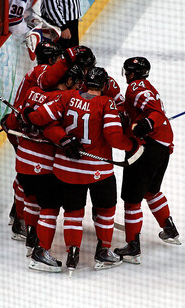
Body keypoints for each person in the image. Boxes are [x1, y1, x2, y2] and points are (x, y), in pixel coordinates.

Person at [23, 67, 142, 275]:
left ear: (85, 82)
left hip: (66, 170)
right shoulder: (107, 103)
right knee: (105, 210)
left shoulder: (67, 97)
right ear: (104, 86)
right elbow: (114, 137)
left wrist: (27, 115)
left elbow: (41, 117)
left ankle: (72, 254)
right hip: (99, 171)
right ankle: (103, 252)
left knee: (73, 213)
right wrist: (132, 145)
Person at [114, 57, 181, 265]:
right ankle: (169, 229)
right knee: (151, 191)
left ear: (131, 73)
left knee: (132, 199)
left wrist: (148, 122)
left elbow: (155, 112)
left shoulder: (135, 88)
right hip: (162, 147)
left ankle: (133, 248)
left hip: (146, 148)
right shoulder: (146, 85)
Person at [2, 41, 63, 241]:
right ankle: (20, 220)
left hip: (17, 123)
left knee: (24, 174)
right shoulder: (44, 71)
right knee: (25, 176)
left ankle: (17, 215)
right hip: (23, 126)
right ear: (52, 59)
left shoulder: (35, 70)